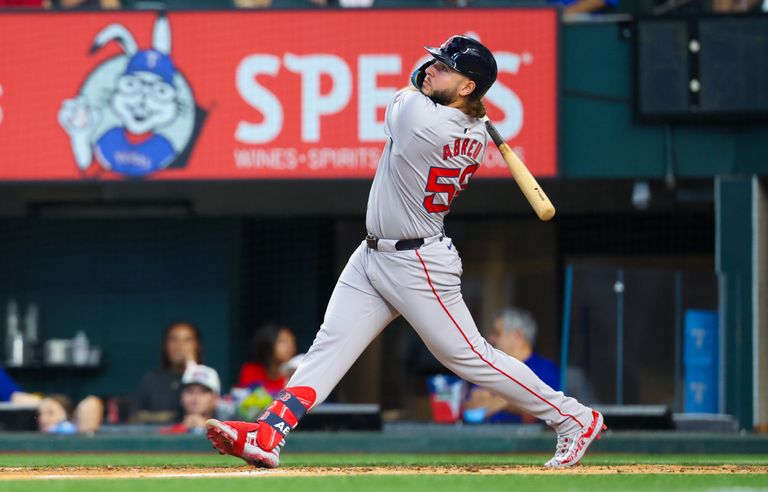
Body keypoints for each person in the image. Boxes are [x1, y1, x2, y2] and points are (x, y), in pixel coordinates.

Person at [206, 35, 605, 469]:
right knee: (330, 346)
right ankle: (269, 433)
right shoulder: (468, 130)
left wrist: (438, 89)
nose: (431, 67)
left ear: (469, 87)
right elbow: (428, 84)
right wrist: (461, 97)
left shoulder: (422, 121)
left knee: (469, 356)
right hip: (373, 254)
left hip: (418, 262)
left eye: (444, 66)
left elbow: (412, 86)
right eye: (435, 61)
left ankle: (573, 417)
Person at [464, 308, 560, 423]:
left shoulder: (545, 369)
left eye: (497, 333)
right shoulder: (489, 367)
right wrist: (518, 400)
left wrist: (499, 402)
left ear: (517, 336)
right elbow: (470, 406)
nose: (491, 339)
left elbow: (547, 410)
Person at [130, 321, 203, 424]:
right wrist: (165, 417)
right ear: (165, 345)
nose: (180, 346)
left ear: (197, 345)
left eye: (187, 340)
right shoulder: (151, 380)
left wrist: (191, 365)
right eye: (174, 340)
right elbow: (134, 418)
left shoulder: (209, 377)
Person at [236, 324, 298, 396]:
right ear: (268, 344)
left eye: (292, 342)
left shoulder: (294, 373)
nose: (290, 346)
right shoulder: (251, 371)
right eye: (283, 341)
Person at [161, 364, 222, 434]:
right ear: (181, 396)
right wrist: (182, 429)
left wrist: (205, 428)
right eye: (190, 391)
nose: (195, 396)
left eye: (203, 392)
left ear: (216, 398)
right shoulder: (167, 432)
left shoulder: (228, 433)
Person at [37, 394, 104, 434]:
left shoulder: (67, 428)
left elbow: (91, 402)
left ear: (65, 414)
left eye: (50, 413)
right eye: (40, 414)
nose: (43, 419)